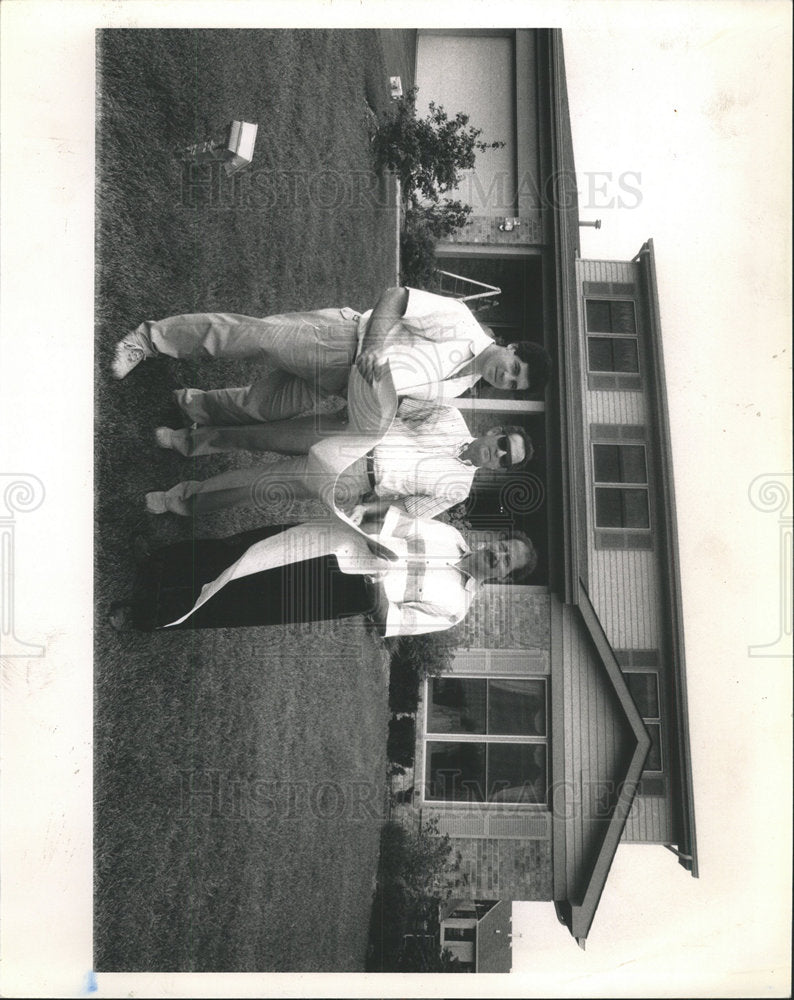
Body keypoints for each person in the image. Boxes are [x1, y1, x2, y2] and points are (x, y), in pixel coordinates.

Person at [110, 286, 553, 421]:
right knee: (251, 337)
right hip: (344, 341)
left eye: (514, 384)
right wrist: (375, 349)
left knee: (263, 408)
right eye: (515, 368)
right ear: (511, 348)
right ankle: (146, 340)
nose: (507, 378)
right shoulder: (460, 322)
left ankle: (189, 404)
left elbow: (399, 400)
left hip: (342, 386)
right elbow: (397, 298)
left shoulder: (461, 386)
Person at [110, 509, 538, 636]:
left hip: (342, 590)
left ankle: (147, 615)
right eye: (502, 547)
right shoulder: (447, 533)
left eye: (504, 562)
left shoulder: (454, 610)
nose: (496, 555)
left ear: (503, 578)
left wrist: (375, 588)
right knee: (246, 548)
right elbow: (388, 519)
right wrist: (373, 532)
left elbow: (393, 621)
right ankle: (157, 562)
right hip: (339, 543)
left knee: (243, 600)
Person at [144, 397, 534, 519]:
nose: (496, 454)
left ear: (499, 470)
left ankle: (179, 499)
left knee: (259, 486)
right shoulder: (449, 416)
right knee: (260, 434)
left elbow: (405, 510)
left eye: (504, 460)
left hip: (354, 482)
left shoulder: (458, 489)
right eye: (502, 444)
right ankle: (185, 441)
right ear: (494, 432)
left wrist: (365, 509)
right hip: (349, 435)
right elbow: (395, 406)